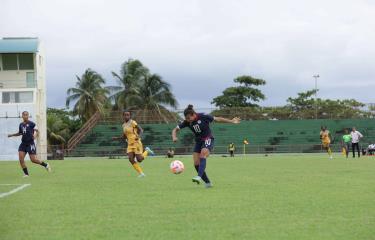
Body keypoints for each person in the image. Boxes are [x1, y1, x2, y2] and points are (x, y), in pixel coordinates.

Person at [172, 105, 240, 188]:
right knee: (196, 163)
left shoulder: (203, 117)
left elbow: (218, 119)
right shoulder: (187, 121)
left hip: (208, 138)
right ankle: (208, 183)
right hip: (198, 142)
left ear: (194, 115)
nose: (187, 120)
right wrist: (174, 137)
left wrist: (231, 121)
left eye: (189, 118)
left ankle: (199, 176)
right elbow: (175, 130)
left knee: (203, 154)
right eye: (186, 118)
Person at [7, 111, 51, 177]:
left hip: (30, 144)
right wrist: (12, 135)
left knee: (33, 160)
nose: (25, 116)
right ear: (22, 116)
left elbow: (37, 131)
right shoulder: (21, 124)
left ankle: (46, 165)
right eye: (24, 115)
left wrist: (35, 136)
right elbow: (20, 133)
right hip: (23, 144)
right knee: (21, 159)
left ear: (28, 116)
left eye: (26, 115)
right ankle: (26, 174)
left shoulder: (32, 123)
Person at [113, 110, 154, 177]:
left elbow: (141, 130)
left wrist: (138, 137)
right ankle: (141, 174)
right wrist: (116, 138)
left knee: (139, 159)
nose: (126, 116)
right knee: (130, 159)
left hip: (136, 143)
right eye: (125, 115)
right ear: (123, 116)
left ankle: (146, 151)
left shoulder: (133, 122)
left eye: (128, 115)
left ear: (130, 116)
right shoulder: (123, 125)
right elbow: (124, 136)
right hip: (129, 144)